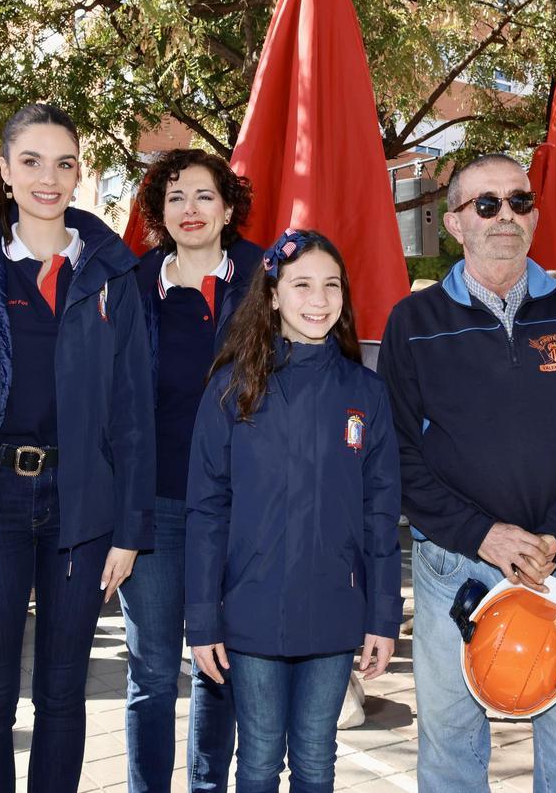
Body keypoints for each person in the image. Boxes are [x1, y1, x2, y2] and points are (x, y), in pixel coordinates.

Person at [0, 103, 155, 793]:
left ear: (78, 174)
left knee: (63, 694)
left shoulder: (111, 273)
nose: (49, 178)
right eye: (32, 161)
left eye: (64, 163)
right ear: (6, 171)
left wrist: (130, 530)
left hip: (83, 506)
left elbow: (132, 413)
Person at [378, 153, 556, 792]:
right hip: (454, 570)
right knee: (451, 752)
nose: (505, 216)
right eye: (486, 204)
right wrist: (483, 535)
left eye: (519, 202)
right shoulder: (413, 322)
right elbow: (399, 456)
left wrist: (553, 536)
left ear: (535, 216)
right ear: (455, 223)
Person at [187, 230, 402, 793]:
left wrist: (383, 616)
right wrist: (202, 619)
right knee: (258, 760)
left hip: (334, 609)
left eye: (331, 285)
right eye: (302, 284)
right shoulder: (232, 388)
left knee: (315, 760)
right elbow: (206, 512)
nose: (319, 299)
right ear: (273, 295)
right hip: (251, 609)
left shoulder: (366, 393)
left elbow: (381, 515)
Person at [119, 149, 260, 792]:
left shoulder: (266, 280)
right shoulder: (131, 286)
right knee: (151, 671)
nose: (191, 209)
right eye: (175, 197)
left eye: (204, 195)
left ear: (228, 208)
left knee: (217, 665)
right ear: (160, 213)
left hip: (237, 507)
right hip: (152, 507)